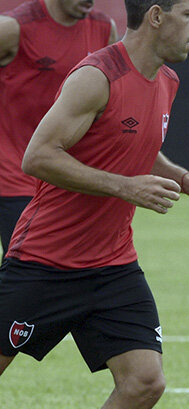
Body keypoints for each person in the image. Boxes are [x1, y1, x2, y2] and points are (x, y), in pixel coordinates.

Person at [0, 0, 189, 409]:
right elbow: (37, 156)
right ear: (155, 16)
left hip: (112, 265)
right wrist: (124, 187)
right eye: (188, 14)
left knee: (144, 381)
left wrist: (188, 180)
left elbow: (134, 142)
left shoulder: (166, 81)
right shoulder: (95, 76)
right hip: (45, 260)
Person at [0, 0, 117, 257]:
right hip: (15, 179)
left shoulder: (103, 28)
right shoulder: (12, 28)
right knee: (31, 270)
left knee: (69, 273)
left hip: (66, 180)